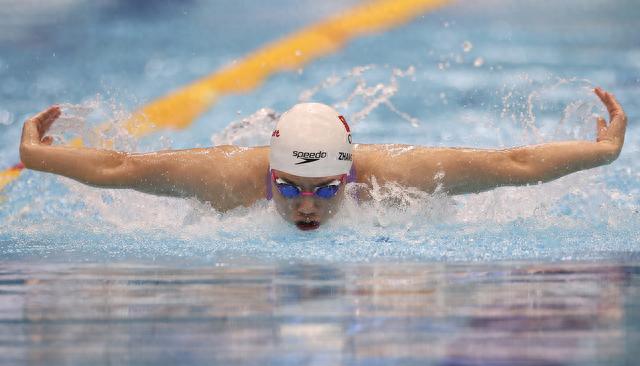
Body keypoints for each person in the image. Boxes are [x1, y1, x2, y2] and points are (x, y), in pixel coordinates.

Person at [20, 87, 627, 231]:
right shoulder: (233, 178)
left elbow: (512, 163)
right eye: (288, 189)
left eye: (324, 189)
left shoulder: (394, 176)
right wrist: (38, 159)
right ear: (269, 175)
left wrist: (601, 154)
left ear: (350, 174)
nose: (307, 205)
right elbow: (123, 170)